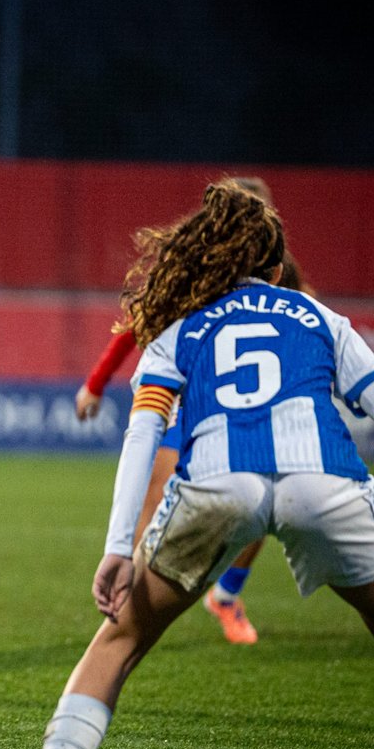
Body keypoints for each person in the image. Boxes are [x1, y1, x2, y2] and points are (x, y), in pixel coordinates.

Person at [0, 182, 374, 749]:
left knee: (121, 639)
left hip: (219, 483)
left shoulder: (182, 328)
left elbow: (143, 434)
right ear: (277, 270)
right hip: (324, 482)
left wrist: (116, 548)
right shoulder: (319, 317)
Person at [74, 178, 307, 645]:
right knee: (151, 505)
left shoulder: (283, 272)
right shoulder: (191, 265)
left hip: (242, 409)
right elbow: (139, 322)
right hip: (184, 401)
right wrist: (95, 384)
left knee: (266, 502)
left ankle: (227, 595)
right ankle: (128, 611)